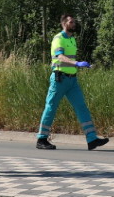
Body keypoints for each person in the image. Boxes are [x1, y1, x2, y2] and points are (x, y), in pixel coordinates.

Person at [35, 15, 110, 152]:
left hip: (72, 80)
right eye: (71, 22)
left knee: (82, 107)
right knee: (51, 107)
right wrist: (76, 63)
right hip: (59, 79)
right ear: (64, 24)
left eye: (74, 22)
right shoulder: (59, 38)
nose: (74, 24)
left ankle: (92, 139)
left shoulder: (72, 39)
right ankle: (41, 139)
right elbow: (59, 56)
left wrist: (80, 65)